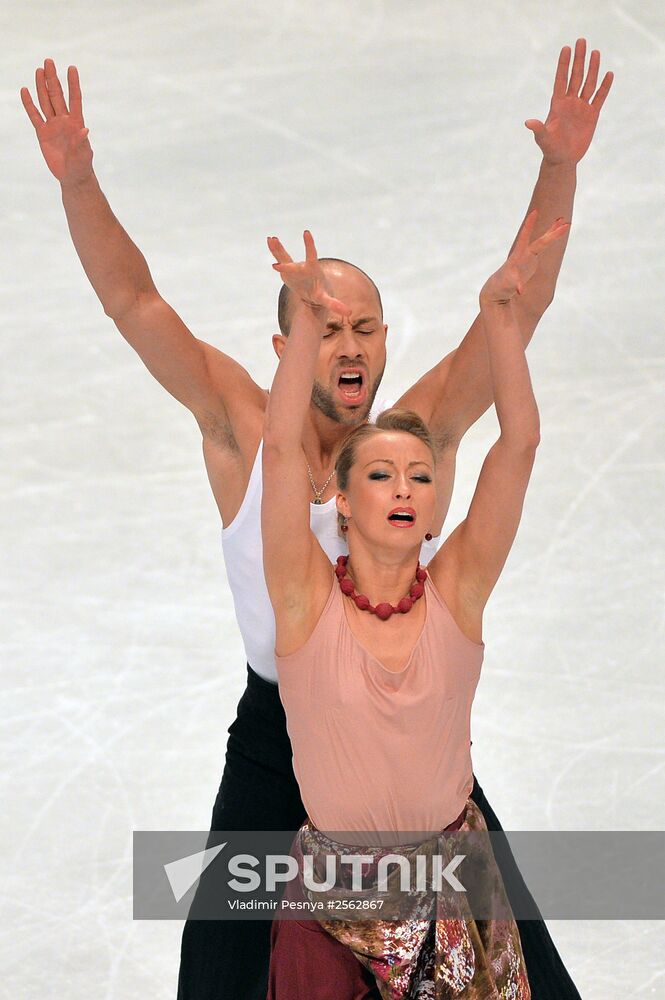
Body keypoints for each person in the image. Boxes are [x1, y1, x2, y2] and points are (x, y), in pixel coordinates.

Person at [19, 40, 612, 1000]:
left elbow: (516, 308)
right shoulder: (243, 425)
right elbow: (136, 303)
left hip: (403, 750)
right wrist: (80, 181)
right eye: (324, 324)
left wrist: (559, 167)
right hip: (276, 748)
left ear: (383, 344)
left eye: (364, 327)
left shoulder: (412, 440)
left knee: (534, 981)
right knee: (216, 980)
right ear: (289, 339)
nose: (347, 343)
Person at [262, 217, 567, 999]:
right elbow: (277, 450)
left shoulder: (457, 593)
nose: (403, 487)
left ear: (434, 511)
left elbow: (518, 446)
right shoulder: (303, 601)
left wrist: (500, 319)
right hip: (331, 907)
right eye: (381, 475)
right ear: (338, 501)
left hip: (455, 896)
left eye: (419, 477)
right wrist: (303, 328)